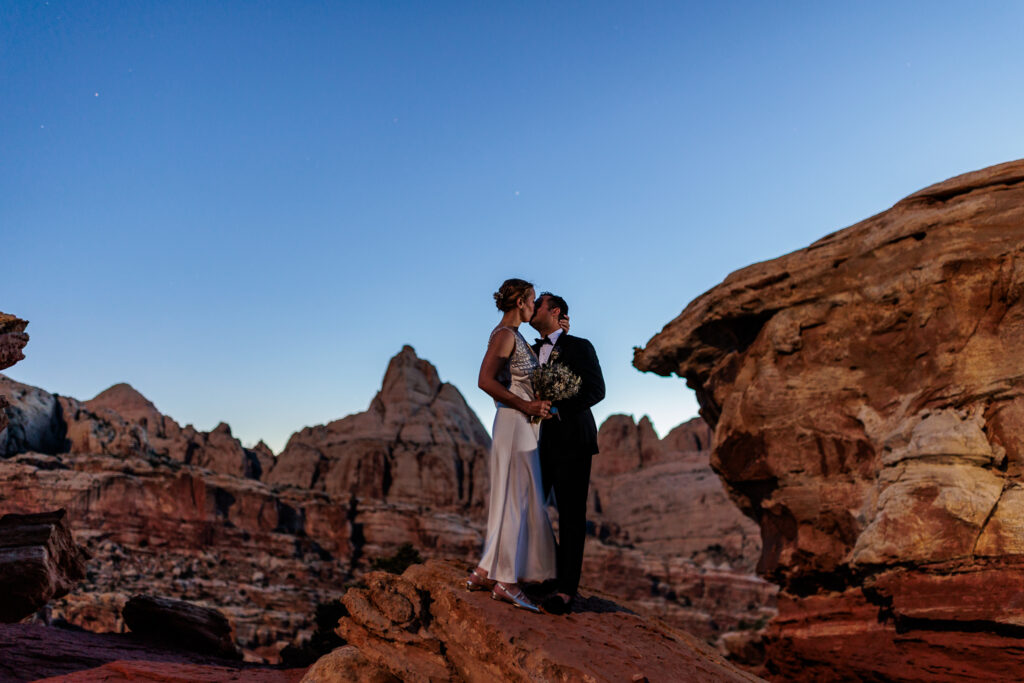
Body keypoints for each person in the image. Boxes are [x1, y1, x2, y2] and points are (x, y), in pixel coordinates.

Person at [465, 278, 556, 613]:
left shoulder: (514, 336)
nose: (534, 306)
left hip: (517, 424)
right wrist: (528, 407)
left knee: (509, 498)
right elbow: (484, 380)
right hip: (514, 422)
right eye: (532, 300)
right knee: (517, 499)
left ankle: (485, 570)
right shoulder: (505, 335)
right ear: (520, 301)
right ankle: (508, 582)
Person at [530, 292, 605, 614]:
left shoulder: (579, 346)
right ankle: (542, 573)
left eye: (537, 305)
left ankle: (566, 589)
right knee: (530, 507)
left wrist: (557, 408)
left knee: (571, 515)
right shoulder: (528, 350)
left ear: (555, 311)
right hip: (532, 440)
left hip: (572, 438)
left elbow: (596, 390)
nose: (531, 309)